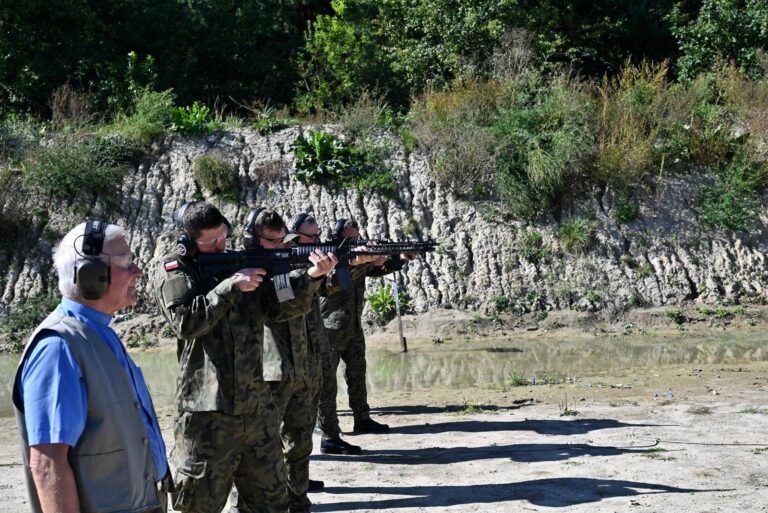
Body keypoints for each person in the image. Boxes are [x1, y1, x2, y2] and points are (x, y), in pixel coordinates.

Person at [153, 201, 336, 513]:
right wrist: (229, 287)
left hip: (257, 408)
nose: (221, 245)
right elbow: (186, 322)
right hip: (207, 412)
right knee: (198, 505)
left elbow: (280, 304)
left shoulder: (238, 261)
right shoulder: (175, 268)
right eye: (211, 242)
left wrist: (312, 276)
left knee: (273, 502)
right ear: (188, 241)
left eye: (223, 236)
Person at [12, 220, 169, 513]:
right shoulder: (58, 347)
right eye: (126, 263)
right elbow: (47, 464)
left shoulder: (99, 333)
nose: (138, 271)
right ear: (91, 276)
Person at [317, 218, 412, 453]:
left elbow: (378, 269)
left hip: (353, 326)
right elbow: (334, 280)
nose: (356, 242)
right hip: (330, 328)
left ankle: (362, 418)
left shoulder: (357, 256)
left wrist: (399, 258)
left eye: (357, 237)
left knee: (358, 373)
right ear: (339, 238)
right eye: (351, 238)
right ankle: (328, 432)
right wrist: (361, 260)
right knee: (325, 383)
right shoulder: (332, 258)